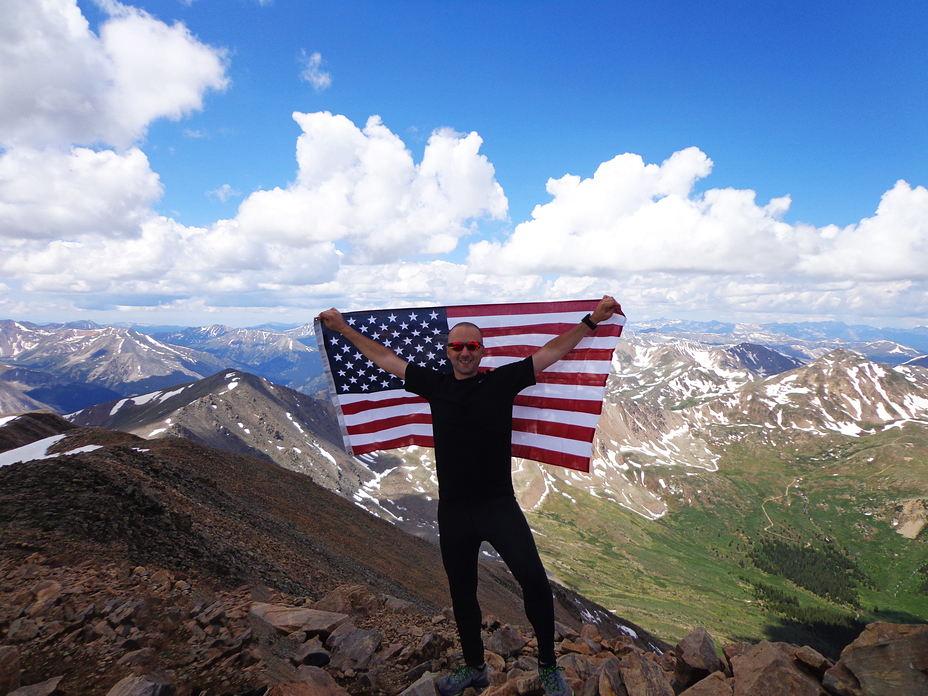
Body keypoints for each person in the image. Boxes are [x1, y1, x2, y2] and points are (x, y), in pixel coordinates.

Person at [317, 295, 621, 696]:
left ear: (482, 350)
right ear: (447, 352)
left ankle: (548, 665)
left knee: (533, 581)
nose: (463, 352)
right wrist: (343, 330)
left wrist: (590, 321)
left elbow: (550, 353)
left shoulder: (501, 381)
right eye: (456, 346)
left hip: (498, 506)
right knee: (462, 594)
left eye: (471, 346)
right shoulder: (435, 384)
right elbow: (386, 359)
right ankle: (475, 667)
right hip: (455, 511)